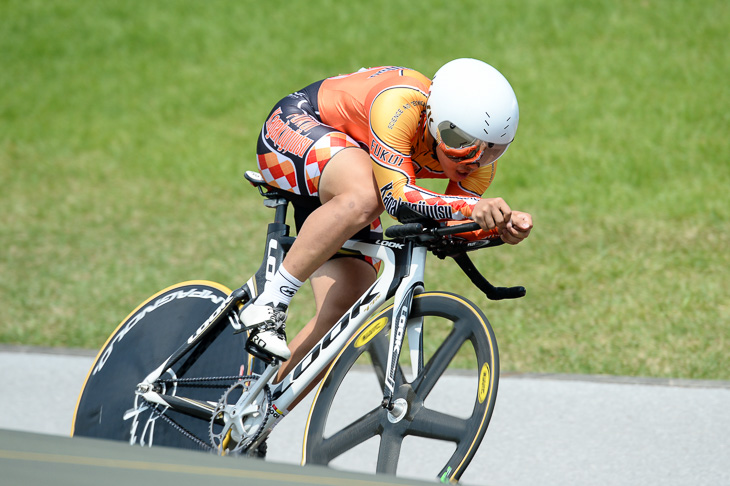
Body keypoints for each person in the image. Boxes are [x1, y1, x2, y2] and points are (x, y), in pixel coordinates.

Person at [241, 58, 533, 386]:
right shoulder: (399, 103)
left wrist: (498, 227)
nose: (474, 161)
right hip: (295, 125)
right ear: (435, 120)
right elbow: (396, 198)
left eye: (493, 152)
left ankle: (255, 413)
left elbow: (449, 231)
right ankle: (271, 302)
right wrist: (470, 206)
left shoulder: (476, 163)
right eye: (461, 142)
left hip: (352, 164)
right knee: (368, 196)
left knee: (346, 312)